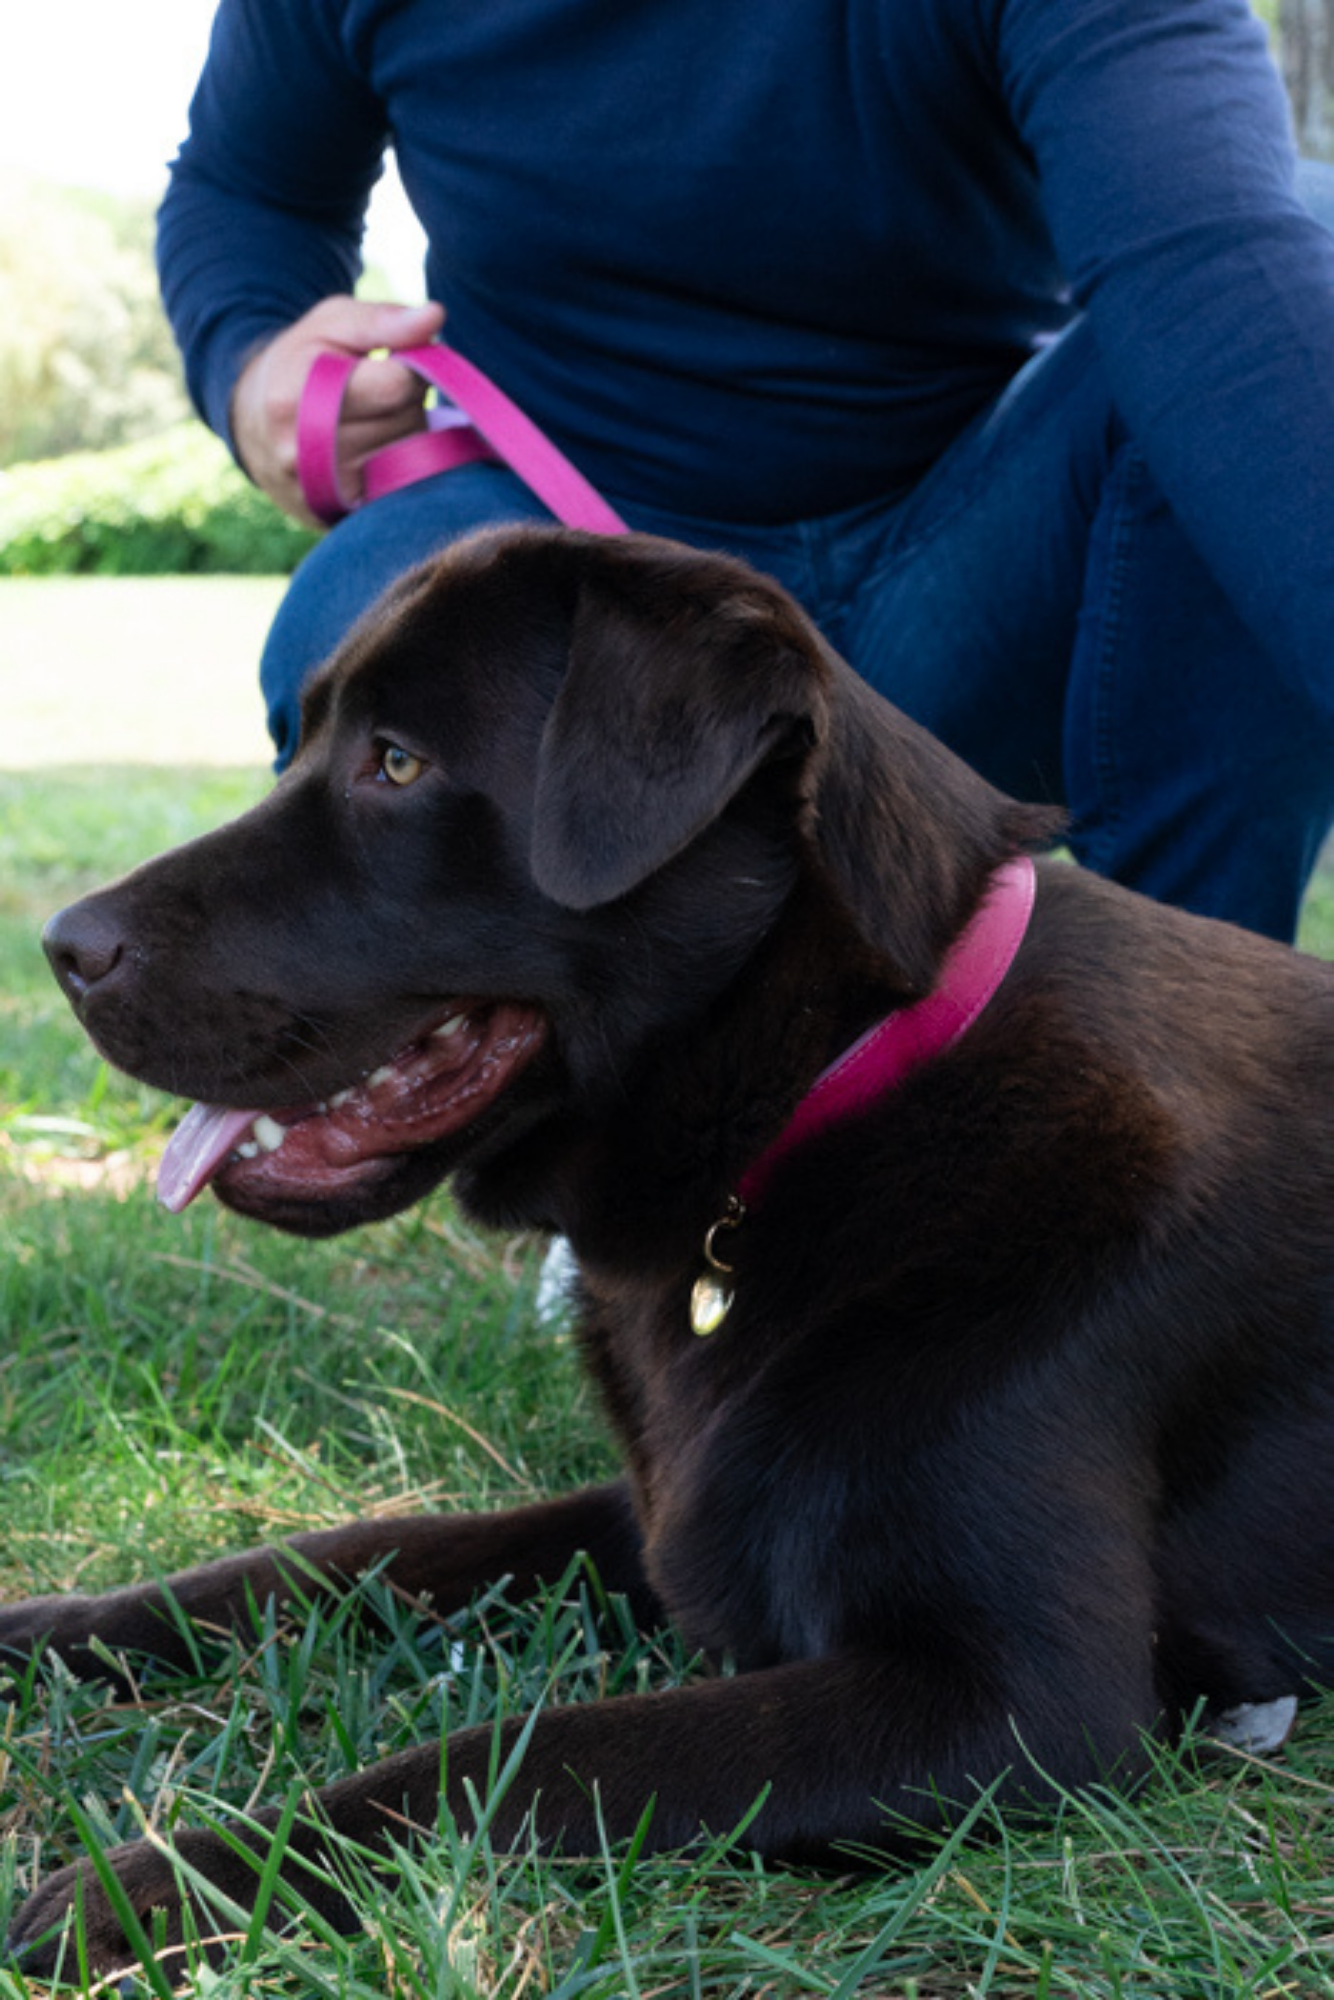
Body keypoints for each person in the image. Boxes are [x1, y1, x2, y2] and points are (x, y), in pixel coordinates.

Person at [158, 0, 1334, 944]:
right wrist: (252, 353)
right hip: (593, 556)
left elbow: (1212, 269)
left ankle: (1201, 1049)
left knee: (1285, 281)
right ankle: (619, 1155)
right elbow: (245, 187)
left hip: (974, 565)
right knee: (353, 616)